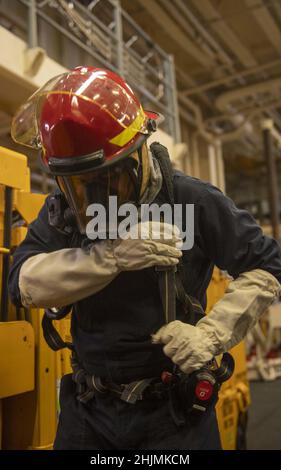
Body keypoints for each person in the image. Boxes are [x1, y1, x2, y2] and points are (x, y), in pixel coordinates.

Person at [8, 66, 281, 450]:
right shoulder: (65, 209)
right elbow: (21, 283)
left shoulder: (192, 201)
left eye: (110, 178)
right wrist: (109, 258)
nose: (96, 199)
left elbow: (267, 264)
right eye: (78, 186)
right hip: (89, 413)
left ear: (140, 154)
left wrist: (210, 335)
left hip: (174, 413)